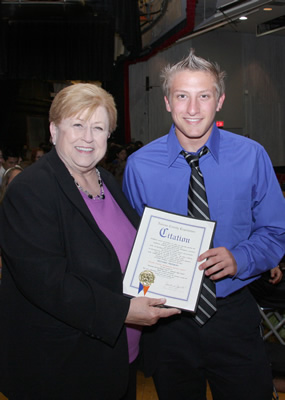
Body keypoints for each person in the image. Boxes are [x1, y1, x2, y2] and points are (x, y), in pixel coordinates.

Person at [0, 83, 181, 400]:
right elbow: (47, 283)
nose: (87, 137)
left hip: (117, 357)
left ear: (108, 136)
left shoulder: (106, 181)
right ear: (55, 130)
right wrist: (122, 311)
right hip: (63, 368)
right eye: (77, 125)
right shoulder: (31, 189)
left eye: (98, 127)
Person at [123, 49, 285, 400]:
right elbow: (131, 244)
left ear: (220, 100)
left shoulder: (252, 156)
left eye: (203, 96)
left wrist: (240, 258)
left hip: (233, 313)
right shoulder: (139, 167)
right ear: (167, 102)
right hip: (166, 323)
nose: (192, 109)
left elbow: (276, 230)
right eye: (182, 96)